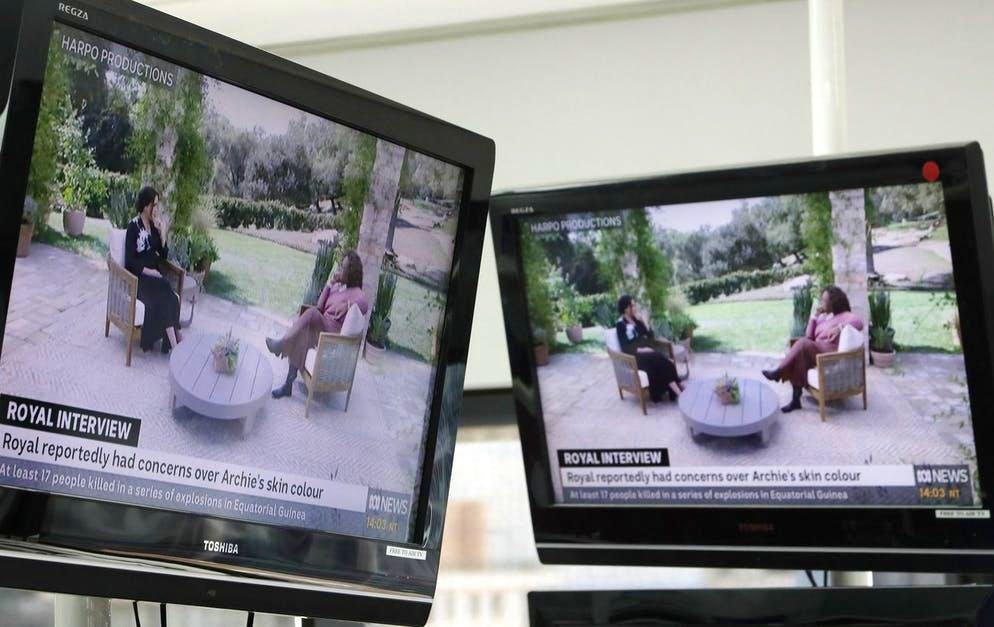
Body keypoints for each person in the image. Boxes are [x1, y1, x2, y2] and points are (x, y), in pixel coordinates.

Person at [266, 250, 370, 399]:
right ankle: (288, 386)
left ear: (351, 272)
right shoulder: (337, 287)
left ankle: (282, 343)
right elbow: (320, 306)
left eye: (343, 267)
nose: (339, 269)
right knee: (302, 335)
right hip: (321, 330)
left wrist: (348, 305)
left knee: (312, 313)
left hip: (331, 335)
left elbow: (365, 304)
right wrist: (329, 284)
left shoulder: (356, 293)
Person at [762, 285, 864, 413]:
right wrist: (814, 317)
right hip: (816, 351)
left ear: (833, 302)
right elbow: (809, 336)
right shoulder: (822, 317)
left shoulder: (845, 315)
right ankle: (795, 400)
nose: (821, 302)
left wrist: (840, 328)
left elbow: (859, 323)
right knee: (800, 355)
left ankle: (779, 372)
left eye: (824, 300)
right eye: (821, 299)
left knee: (802, 344)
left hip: (829, 354)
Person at [125, 186, 182, 354]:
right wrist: (149, 272)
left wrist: (162, 233)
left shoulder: (153, 226)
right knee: (165, 287)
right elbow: (130, 261)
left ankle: (175, 341)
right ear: (145, 205)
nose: (156, 209)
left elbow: (163, 255)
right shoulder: (133, 227)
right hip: (139, 280)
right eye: (154, 205)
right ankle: (177, 340)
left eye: (157, 205)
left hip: (155, 280)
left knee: (169, 297)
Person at [615, 295, 683, 403]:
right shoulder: (620, 325)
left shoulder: (636, 320)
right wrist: (642, 350)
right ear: (626, 308)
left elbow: (650, 337)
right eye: (632, 305)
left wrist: (643, 321)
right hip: (635, 357)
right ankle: (678, 392)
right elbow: (625, 347)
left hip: (647, 352)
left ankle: (675, 391)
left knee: (662, 361)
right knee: (660, 358)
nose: (635, 307)